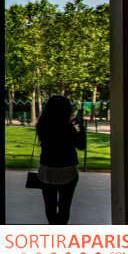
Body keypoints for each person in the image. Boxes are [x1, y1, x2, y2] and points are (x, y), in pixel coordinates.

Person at [35, 95, 86, 225]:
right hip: (67, 171)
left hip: (47, 171)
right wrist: (81, 128)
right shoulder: (68, 128)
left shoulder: (42, 125)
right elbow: (81, 145)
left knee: (50, 207)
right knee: (64, 207)